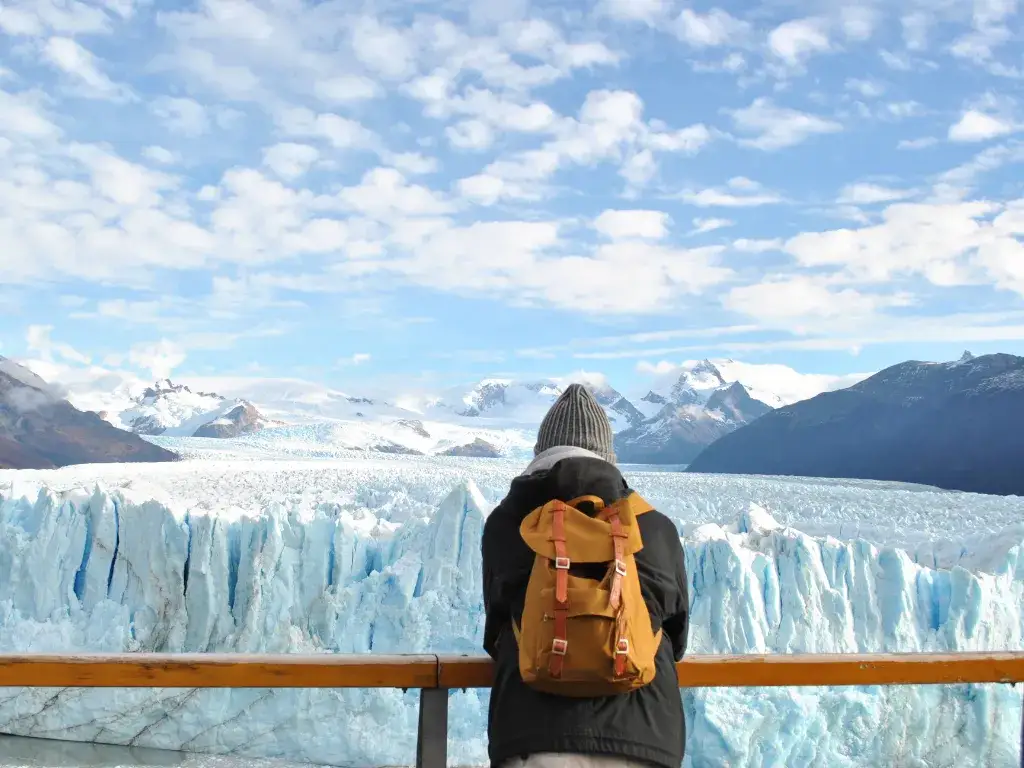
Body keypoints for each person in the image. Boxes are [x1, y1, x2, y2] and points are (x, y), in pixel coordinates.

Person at [482, 384, 690, 768]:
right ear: (608, 456)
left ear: (541, 453)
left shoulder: (509, 524)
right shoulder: (654, 527)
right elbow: (675, 636)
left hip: (532, 737)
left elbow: (496, 630)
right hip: (644, 736)